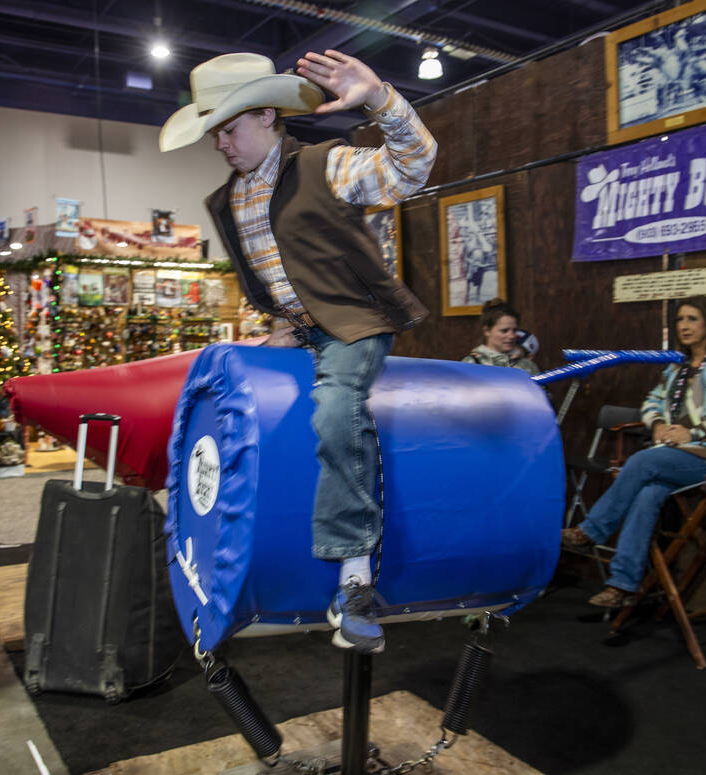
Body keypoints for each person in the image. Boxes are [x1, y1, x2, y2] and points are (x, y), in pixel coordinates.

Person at [159, 50, 436, 654]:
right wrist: (279, 326)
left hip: (351, 325)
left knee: (338, 409)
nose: (221, 145)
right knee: (226, 385)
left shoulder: (325, 165)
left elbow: (412, 168)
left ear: (265, 114)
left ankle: (355, 576)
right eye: (214, 135)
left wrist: (381, 100)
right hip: (295, 327)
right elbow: (278, 277)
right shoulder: (227, 201)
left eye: (228, 130)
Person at [561, 297, 706, 607]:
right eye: (680, 320)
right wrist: (659, 423)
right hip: (676, 454)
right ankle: (622, 586)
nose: (685, 326)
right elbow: (651, 401)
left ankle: (590, 531)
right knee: (649, 494)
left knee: (642, 462)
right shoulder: (677, 364)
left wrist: (694, 432)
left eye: (692, 319)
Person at [462, 298, 539, 375]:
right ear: (487, 331)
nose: (512, 336)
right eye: (504, 331)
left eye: (515, 330)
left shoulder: (527, 366)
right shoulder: (470, 364)